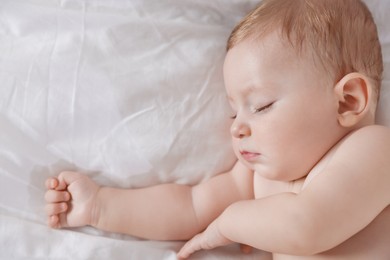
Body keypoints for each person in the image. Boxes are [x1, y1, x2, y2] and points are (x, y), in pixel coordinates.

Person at [44, 0, 390, 259]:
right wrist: (103, 207)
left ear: (347, 101)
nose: (238, 127)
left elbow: (307, 226)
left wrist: (229, 223)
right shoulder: (256, 178)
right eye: (232, 112)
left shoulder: (374, 149)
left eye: (261, 106)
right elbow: (190, 207)